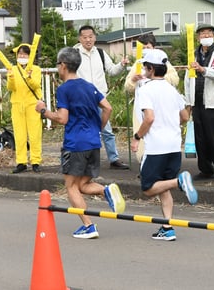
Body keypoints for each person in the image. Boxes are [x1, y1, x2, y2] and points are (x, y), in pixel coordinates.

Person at [35, 47, 125, 239]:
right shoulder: (88, 85)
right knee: (84, 184)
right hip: (93, 142)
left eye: (58, 64)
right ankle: (105, 190)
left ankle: (88, 226)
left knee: (71, 187)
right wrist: (99, 127)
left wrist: (43, 111)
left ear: (64, 66)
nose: (58, 68)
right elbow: (107, 107)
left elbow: (62, 118)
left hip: (75, 143)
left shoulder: (64, 89)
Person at [130, 49, 198, 241]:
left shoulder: (145, 90)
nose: (143, 69)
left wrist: (137, 137)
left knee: (148, 188)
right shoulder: (171, 89)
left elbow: (149, 118)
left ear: (150, 69)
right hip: (174, 144)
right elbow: (185, 116)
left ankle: (180, 181)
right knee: (163, 187)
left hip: (156, 146)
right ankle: (167, 227)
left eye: (145, 66)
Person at [74, 25, 130, 170]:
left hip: (99, 97)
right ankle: (83, 159)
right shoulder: (74, 53)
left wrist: (122, 65)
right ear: (80, 39)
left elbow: (111, 71)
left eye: (90, 36)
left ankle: (114, 159)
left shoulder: (100, 53)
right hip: (81, 98)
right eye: (84, 37)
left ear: (95, 37)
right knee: (83, 129)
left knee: (106, 129)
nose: (88, 40)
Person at [184, 23, 214, 181]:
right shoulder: (193, 54)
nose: (206, 36)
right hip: (197, 102)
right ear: (198, 37)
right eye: (203, 34)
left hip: (213, 103)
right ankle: (205, 169)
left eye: (209, 33)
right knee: (200, 138)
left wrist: (203, 70)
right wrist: (188, 101)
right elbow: (187, 80)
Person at [124, 33, 179, 161]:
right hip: (141, 107)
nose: (145, 51)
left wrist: (158, 76)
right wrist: (133, 79)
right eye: (142, 48)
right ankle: (144, 162)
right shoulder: (138, 64)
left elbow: (174, 79)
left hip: (161, 106)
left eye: (147, 47)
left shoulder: (164, 63)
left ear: (153, 47)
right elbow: (127, 86)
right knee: (142, 133)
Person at [7, 44, 43, 174]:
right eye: (20, 54)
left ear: (30, 56)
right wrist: (10, 77)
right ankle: (21, 162)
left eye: (25, 54)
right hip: (17, 105)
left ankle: (35, 161)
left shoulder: (36, 69)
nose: (22, 56)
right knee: (19, 135)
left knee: (34, 135)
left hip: (33, 105)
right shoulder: (13, 69)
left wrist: (28, 76)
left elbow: (36, 85)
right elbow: (11, 88)